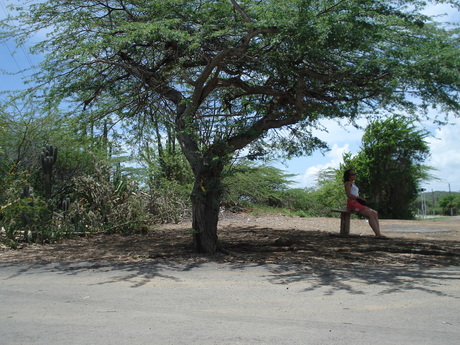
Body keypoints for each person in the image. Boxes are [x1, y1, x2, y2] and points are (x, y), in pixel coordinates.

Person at [343, 169, 387, 239]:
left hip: (356, 202)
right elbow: (349, 195)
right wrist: (359, 197)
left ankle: (378, 233)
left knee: (375, 213)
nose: (355, 175)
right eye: (352, 174)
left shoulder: (353, 183)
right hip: (352, 202)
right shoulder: (348, 183)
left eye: (355, 174)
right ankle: (377, 234)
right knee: (370, 215)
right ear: (348, 176)